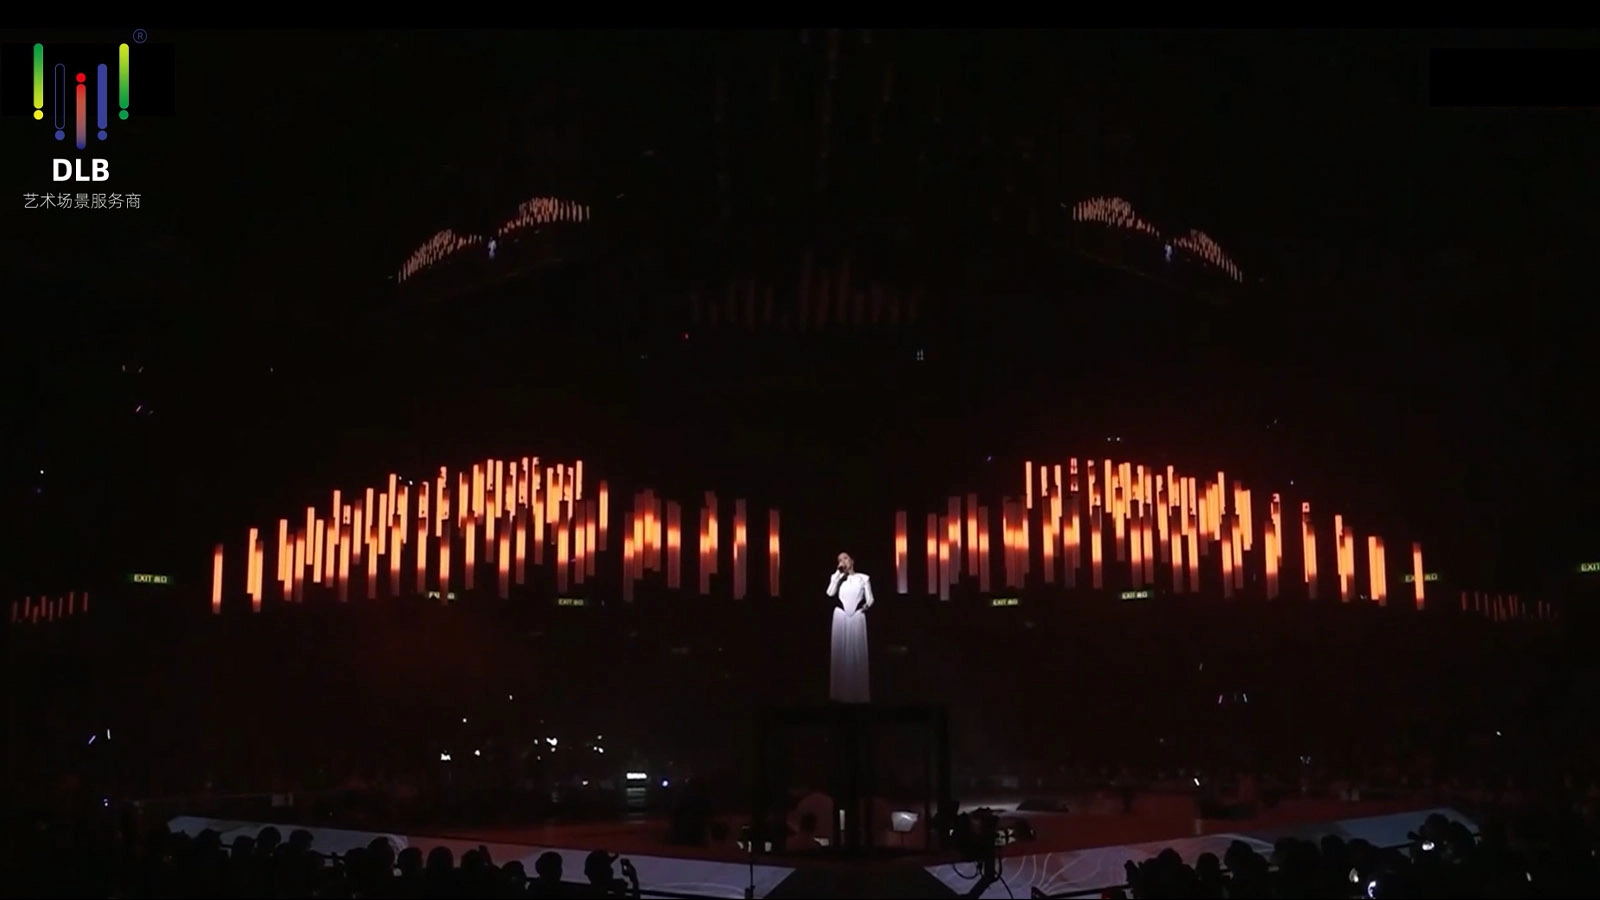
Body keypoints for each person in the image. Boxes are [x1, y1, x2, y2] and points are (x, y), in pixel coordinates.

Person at [826, 551, 875, 703]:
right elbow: (830, 593)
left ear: (852, 561)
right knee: (841, 653)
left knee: (856, 651)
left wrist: (865, 607)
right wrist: (837, 575)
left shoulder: (863, 578)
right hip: (841, 617)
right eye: (839, 559)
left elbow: (870, 598)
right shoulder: (838, 578)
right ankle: (840, 693)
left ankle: (857, 693)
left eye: (845, 558)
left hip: (856, 617)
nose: (843, 561)